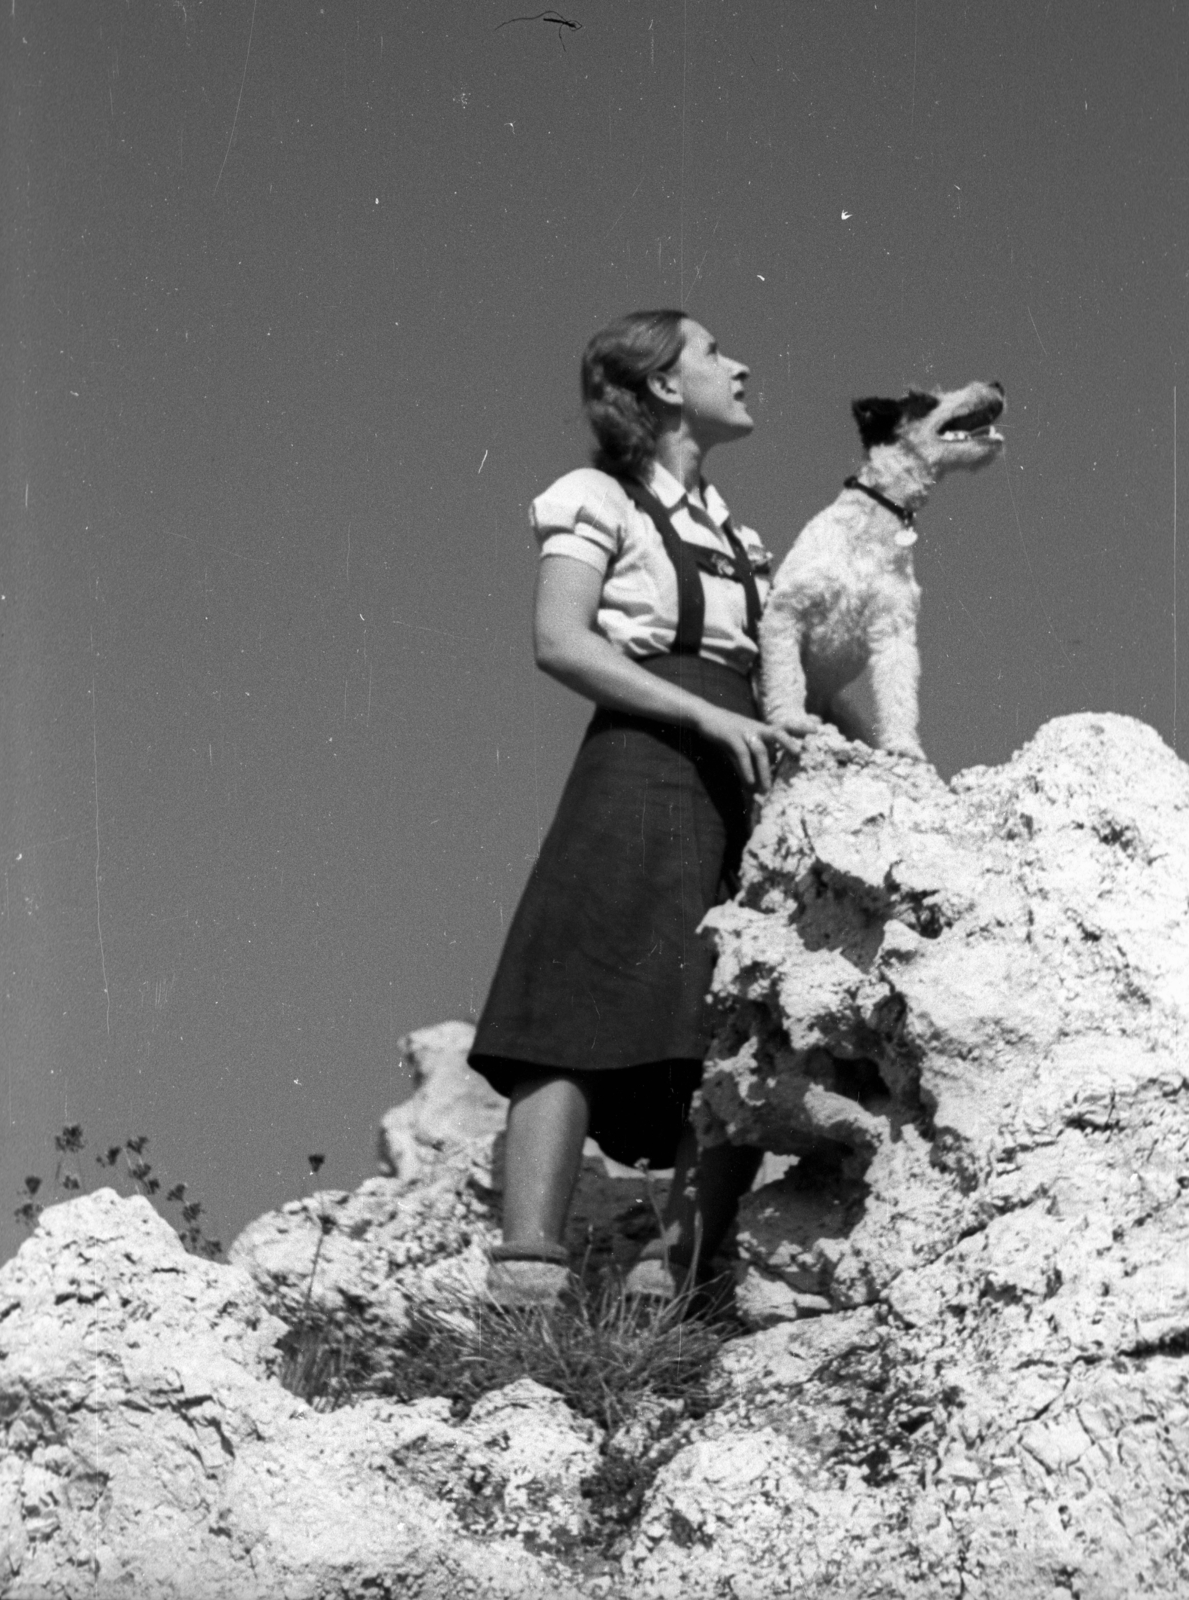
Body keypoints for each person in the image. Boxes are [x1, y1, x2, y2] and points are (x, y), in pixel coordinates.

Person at [469, 309, 799, 1307]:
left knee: (729, 1020)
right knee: (573, 1003)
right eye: (712, 352)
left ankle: (677, 1276)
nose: (740, 364)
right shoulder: (595, 498)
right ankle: (525, 1284)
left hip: (736, 782)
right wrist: (704, 715)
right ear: (661, 384)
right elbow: (561, 640)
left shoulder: (736, 532)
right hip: (643, 764)